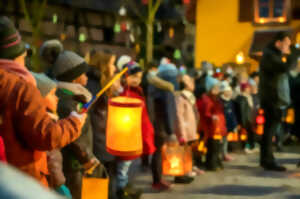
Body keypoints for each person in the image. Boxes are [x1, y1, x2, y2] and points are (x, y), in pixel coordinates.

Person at [0, 16, 85, 187]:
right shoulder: (20, 88)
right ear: (14, 57)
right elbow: (46, 136)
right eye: (24, 57)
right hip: (22, 180)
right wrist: (75, 122)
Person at [52, 50, 99, 199]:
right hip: (74, 164)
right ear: (75, 78)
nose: (86, 77)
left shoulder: (73, 96)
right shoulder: (68, 102)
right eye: (83, 74)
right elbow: (74, 137)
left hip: (77, 162)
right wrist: (87, 159)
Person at [259, 32, 299, 171]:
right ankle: (267, 160)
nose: (288, 46)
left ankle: (266, 159)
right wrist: (293, 54)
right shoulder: (270, 56)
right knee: (270, 130)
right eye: (286, 43)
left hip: (272, 97)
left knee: (270, 130)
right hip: (272, 98)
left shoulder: (272, 54)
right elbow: (284, 68)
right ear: (278, 43)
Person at [87, 51, 120, 199]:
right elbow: (90, 116)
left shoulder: (101, 83)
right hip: (99, 142)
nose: (114, 68)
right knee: (103, 183)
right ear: (104, 66)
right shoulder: (95, 86)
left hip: (105, 139)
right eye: (112, 64)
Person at [197, 77, 226, 171]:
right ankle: (212, 164)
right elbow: (206, 113)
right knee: (213, 147)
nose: (217, 90)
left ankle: (216, 162)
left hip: (217, 126)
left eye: (218, 88)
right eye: (215, 88)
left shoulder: (216, 99)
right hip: (212, 128)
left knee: (216, 147)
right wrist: (212, 117)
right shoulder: (208, 100)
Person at [235, 83, 256, 153]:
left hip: (251, 118)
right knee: (245, 134)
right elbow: (242, 111)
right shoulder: (241, 98)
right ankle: (246, 147)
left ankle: (251, 146)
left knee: (251, 133)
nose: (249, 89)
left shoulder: (249, 97)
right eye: (247, 88)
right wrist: (242, 122)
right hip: (245, 119)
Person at [220, 81, 237, 161]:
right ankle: (222, 154)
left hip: (228, 124)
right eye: (228, 91)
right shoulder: (221, 101)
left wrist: (234, 124)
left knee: (225, 140)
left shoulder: (230, 101)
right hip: (222, 124)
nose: (230, 93)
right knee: (221, 140)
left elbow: (233, 113)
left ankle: (224, 153)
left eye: (230, 91)